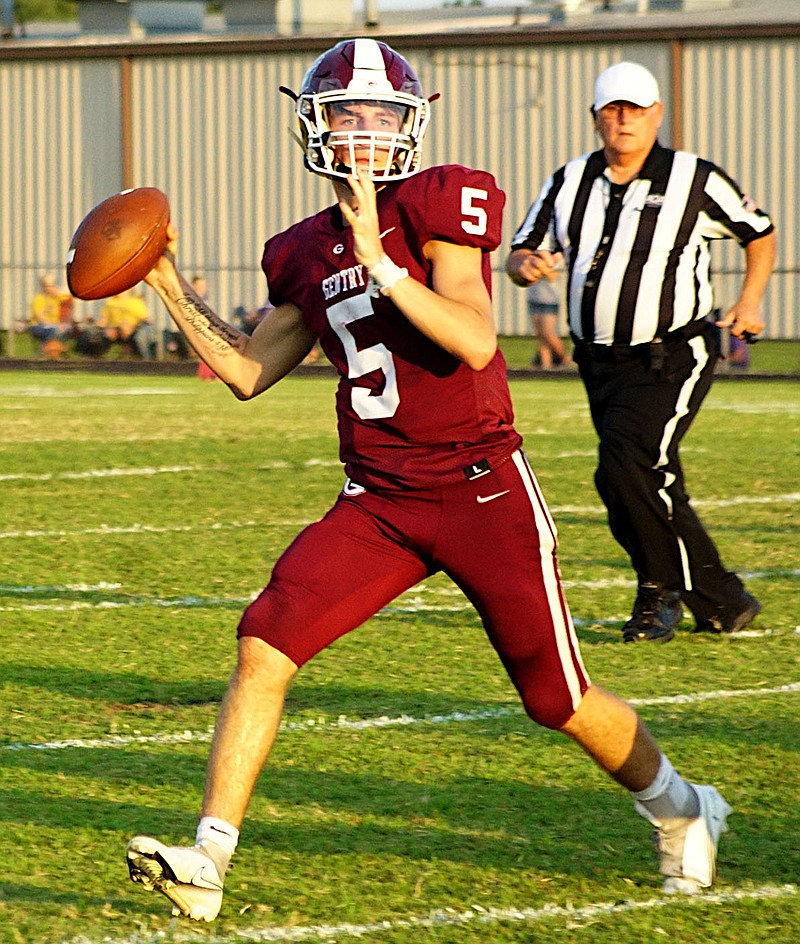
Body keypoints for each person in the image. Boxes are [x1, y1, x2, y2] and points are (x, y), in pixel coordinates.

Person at [125, 40, 732, 923]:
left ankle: (681, 806)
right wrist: (167, 278)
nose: (364, 132)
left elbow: (477, 338)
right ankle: (208, 860)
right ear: (315, 122)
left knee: (554, 696)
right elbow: (250, 371)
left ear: (410, 126)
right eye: (346, 113)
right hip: (379, 500)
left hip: (482, 486)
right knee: (265, 640)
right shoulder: (299, 249)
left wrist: (380, 260)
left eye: (381, 115)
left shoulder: (441, 201)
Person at [506, 61, 776, 644]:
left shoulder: (693, 177)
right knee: (644, 477)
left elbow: (759, 230)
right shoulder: (569, 178)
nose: (623, 119)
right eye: (612, 109)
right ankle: (723, 598)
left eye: (634, 108)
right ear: (595, 118)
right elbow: (522, 249)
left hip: (672, 352)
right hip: (598, 360)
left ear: (656, 114)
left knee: (625, 465)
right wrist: (525, 267)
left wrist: (750, 302)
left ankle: (658, 592)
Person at [526, 267, 568, 368]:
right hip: (534, 297)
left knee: (548, 333)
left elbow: (552, 276)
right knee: (540, 335)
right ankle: (546, 366)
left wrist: (538, 269)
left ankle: (565, 358)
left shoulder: (555, 258)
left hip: (549, 300)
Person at [22, 272, 74, 356]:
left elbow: (70, 298)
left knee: (69, 329)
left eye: (52, 285)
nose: (50, 288)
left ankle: (55, 349)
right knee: (55, 330)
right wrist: (57, 325)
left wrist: (58, 293)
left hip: (56, 325)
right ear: (42, 287)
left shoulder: (56, 298)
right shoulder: (38, 299)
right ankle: (48, 350)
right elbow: (41, 319)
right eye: (47, 286)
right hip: (38, 326)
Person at [98, 288, 155, 359]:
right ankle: (102, 358)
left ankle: (144, 358)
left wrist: (134, 326)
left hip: (133, 328)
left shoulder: (135, 302)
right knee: (105, 334)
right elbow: (104, 320)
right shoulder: (110, 302)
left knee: (128, 329)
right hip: (114, 329)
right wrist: (100, 327)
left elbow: (145, 319)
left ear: (129, 290)